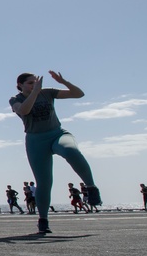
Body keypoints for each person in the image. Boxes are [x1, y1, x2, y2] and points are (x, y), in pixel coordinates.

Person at [10, 71, 100, 234]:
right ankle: (43, 220)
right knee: (44, 183)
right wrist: (35, 92)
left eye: (35, 82)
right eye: (30, 83)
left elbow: (79, 94)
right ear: (20, 85)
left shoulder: (48, 92)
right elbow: (24, 111)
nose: (34, 85)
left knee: (71, 151)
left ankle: (91, 186)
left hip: (57, 134)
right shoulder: (16, 99)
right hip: (36, 141)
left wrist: (63, 81)